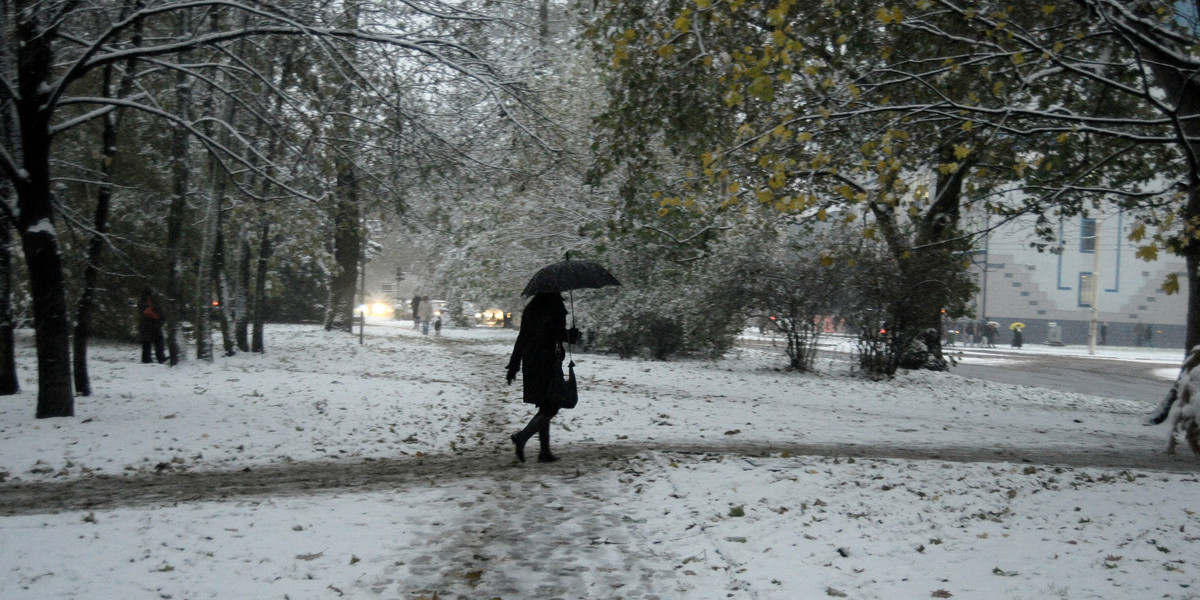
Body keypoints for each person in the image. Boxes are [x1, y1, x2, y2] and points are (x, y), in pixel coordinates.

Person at [505, 293, 580, 463]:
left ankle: (544, 451)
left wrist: (514, 365)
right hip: (548, 362)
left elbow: (522, 337)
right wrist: (570, 335)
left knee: (546, 403)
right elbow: (554, 333)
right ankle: (522, 437)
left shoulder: (531, 308)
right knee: (552, 405)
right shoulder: (555, 307)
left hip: (531, 360)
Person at [137, 287, 167, 364]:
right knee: (155, 342)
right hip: (150, 325)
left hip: (149, 325)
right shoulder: (145, 302)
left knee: (149, 343)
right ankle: (158, 358)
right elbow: (149, 313)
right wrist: (159, 317)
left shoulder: (144, 301)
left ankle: (148, 358)